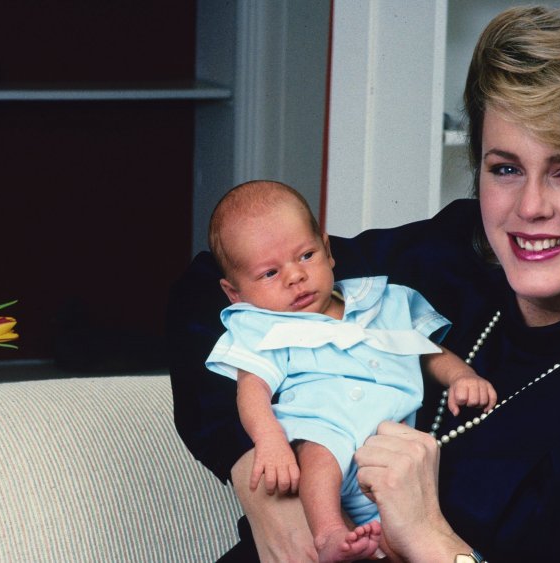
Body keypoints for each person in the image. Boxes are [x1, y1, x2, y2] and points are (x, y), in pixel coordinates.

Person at [167, 5, 560, 561]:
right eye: (505, 168)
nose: (530, 208)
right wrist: (257, 475)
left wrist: (437, 546)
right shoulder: (448, 258)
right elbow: (209, 292)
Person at [204, 180, 497, 561]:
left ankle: (373, 549)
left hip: (391, 449)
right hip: (324, 431)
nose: (295, 276)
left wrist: (461, 377)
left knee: (396, 530)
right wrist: (270, 441)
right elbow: (252, 389)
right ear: (235, 294)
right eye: (270, 274)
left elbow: (427, 351)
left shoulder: (382, 300)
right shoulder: (264, 327)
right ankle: (328, 533)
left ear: (328, 251)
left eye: (306, 255)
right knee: (319, 456)